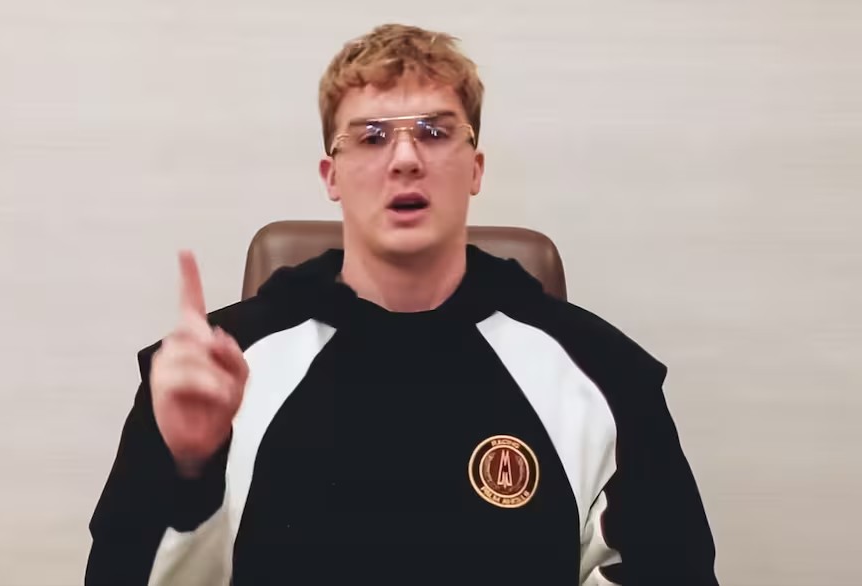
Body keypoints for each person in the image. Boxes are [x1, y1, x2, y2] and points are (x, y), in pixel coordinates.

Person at [85, 23, 718, 586]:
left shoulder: (603, 375)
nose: (406, 159)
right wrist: (189, 470)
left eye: (436, 133)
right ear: (331, 176)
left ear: (476, 167)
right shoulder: (215, 374)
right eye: (371, 137)